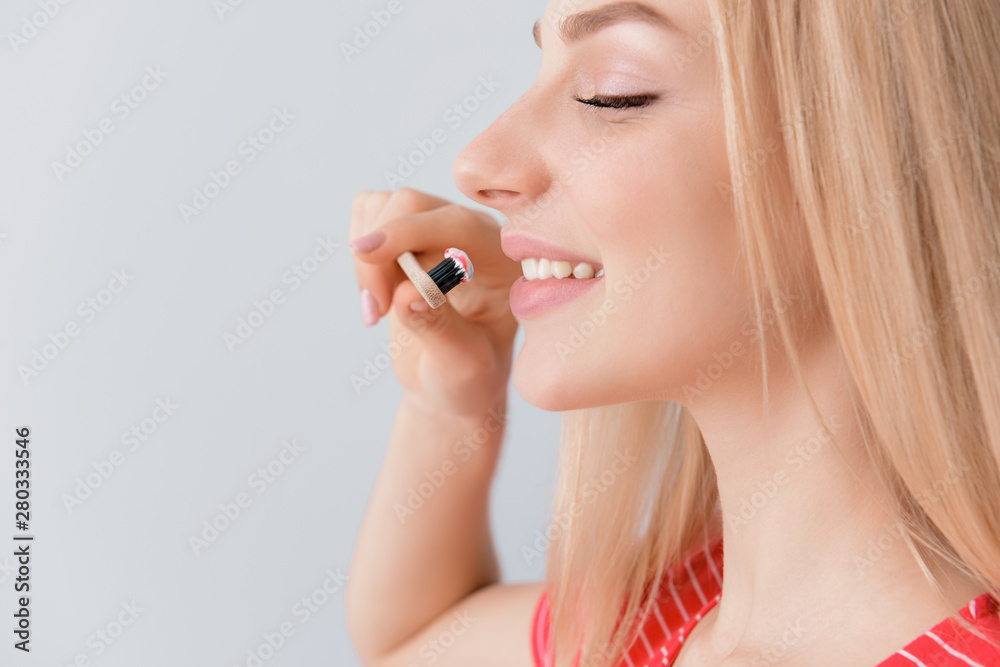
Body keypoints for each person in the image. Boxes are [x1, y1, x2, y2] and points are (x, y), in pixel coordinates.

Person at [345, 0, 1000, 665]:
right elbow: (413, 644)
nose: (476, 163)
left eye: (610, 95)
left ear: (861, 156)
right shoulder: (661, 610)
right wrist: (451, 408)